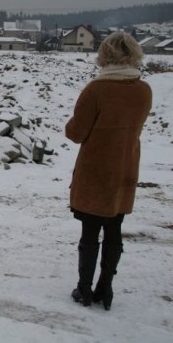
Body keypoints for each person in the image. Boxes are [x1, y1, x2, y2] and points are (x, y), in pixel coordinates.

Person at [65, 32, 152, 311]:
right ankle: (106, 288)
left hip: (96, 169)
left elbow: (77, 133)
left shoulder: (96, 90)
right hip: (126, 166)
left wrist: (72, 121)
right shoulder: (143, 90)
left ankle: (84, 289)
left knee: (90, 232)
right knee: (114, 229)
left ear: (105, 55)